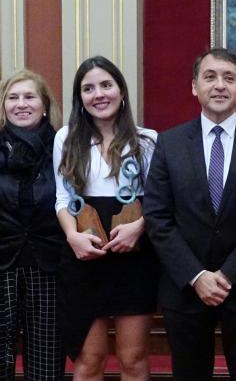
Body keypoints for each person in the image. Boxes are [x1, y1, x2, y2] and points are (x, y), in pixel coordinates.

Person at [143, 47, 236, 381]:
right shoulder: (170, 143)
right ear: (195, 87)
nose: (219, 85)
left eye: (229, 78)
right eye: (210, 77)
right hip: (185, 286)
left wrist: (228, 275)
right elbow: (157, 215)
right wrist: (197, 276)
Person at [54, 56, 158, 380]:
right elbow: (61, 197)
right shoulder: (65, 138)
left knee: (133, 358)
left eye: (106, 85)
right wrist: (73, 237)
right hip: (83, 255)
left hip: (135, 257)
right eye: (88, 88)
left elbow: (160, 201)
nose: (98, 94)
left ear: (121, 91)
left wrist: (138, 230)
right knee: (89, 359)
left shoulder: (147, 139)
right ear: (80, 98)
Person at [0, 69, 64, 380]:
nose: (21, 104)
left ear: (44, 104)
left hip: (49, 266)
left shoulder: (65, 148)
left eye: (29, 97)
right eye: (12, 98)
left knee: (45, 364)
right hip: (2, 265)